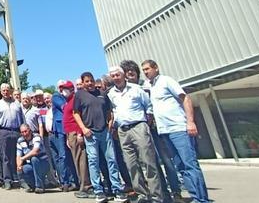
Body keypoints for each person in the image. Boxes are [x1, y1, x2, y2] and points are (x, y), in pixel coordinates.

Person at [143, 60, 210, 203]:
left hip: (178, 128)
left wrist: (190, 121)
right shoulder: (150, 86)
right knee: (180, 166)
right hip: (164, 131)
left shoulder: (167, 81)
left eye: (148, 69)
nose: (145, 72)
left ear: (156, 68)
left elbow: (185, 98)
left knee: (189, 164)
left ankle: (202, 199)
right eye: (144, 70)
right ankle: (195, 196)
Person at [108, 66, 165, 203]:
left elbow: (149, 107)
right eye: (113, 76)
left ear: (123, 75)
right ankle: (142, 195)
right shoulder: (111, 94)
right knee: (131, 165)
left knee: (148, 162)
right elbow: (113, 112)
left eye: (118, 75)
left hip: (138, 126)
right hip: (123, 130)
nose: (116, 77)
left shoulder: (136, 89)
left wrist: (147, 123)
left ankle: (157, 197)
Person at [73, 72, 127, 203]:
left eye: (91, 80)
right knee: (93, 162)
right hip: (90, 133)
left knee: (112, 160)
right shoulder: (79, 95)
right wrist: (84, 129)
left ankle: (117, 189)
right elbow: (76, 113)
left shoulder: (102, 93)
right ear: (83, 82)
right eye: (87, 81)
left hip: (104, 132)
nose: (90, 83)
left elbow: (109, 111)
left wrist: (110, 122)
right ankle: (99, 191)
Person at [0, 82, 25, 190]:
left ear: (10, 91)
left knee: (18, 156)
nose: (6, 92)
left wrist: (22, 130)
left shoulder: (17, 103)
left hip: (16, 131)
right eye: (3, 90)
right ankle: (7, 180)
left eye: (7, 90)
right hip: (4, 131)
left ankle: (20, 179)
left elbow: (22, 118)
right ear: (1, 92)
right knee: (6, 157)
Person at [52, 80, 79, 192]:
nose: (63, 89)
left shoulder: (70, 97)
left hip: (70, 128)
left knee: (71, 156)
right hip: (60, 129)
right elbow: (64, 107)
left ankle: (75, 181)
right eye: (61, 87)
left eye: (65, 87)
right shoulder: (56, 96)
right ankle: (65, 182)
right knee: (63, 156)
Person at [17, 123, 49, 194]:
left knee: (34, 159)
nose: (24, 134)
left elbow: (35, 151)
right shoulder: (20, 140)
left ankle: (39, 186)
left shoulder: (37, 137)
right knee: (24, 168)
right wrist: (19, 166)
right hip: (31, 164)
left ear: (30, 130)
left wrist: (22, 159)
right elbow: (18, 156)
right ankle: (33, 185)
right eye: (22, 132)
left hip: (43, 163)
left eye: (26, 131)